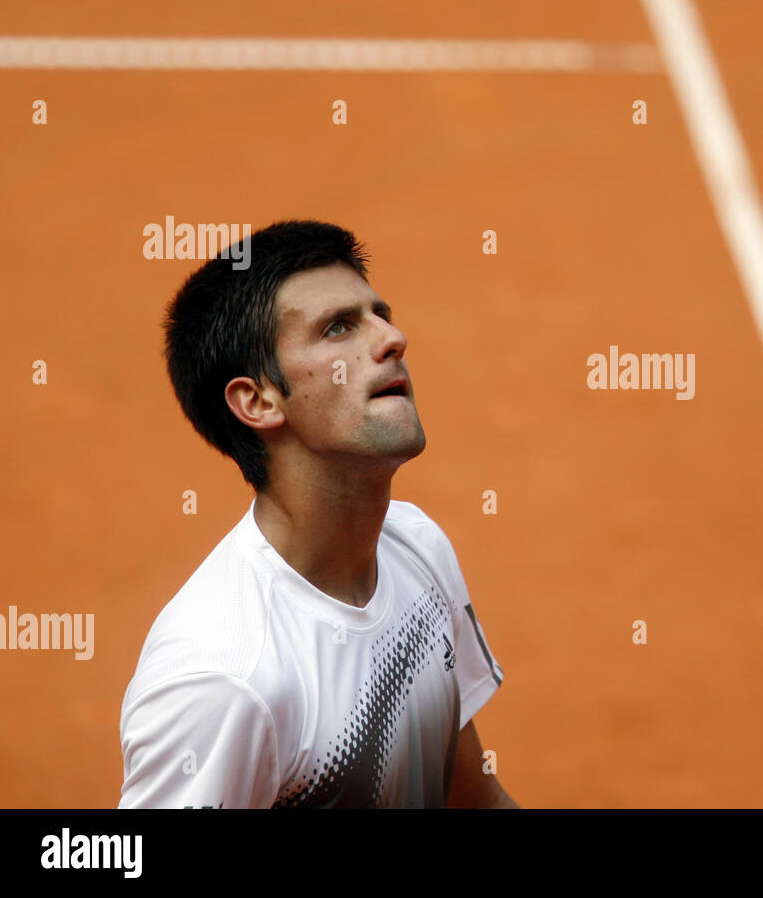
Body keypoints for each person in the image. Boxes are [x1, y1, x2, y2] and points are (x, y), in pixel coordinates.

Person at [119, 220, 515, 808]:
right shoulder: (224, 680)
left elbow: (473, 799)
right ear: (257, 400)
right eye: (338, 328)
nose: (392, 337)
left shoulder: (416, 548)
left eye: (379, 314)